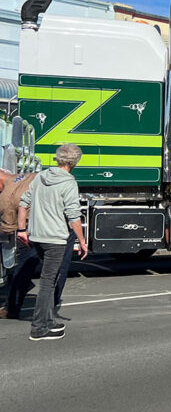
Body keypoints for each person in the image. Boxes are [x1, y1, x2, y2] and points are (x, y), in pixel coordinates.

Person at [19, 143, 87, 341]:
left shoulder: (41, 176)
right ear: (75, 162)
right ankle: (39, 328)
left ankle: (48, 321)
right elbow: (73, 216)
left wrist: (22, 229)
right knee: (48, 282)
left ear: (58, 159)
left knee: (48, 279)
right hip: (55, 239)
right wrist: (82, 241)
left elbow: (23, 203)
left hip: (37, 236)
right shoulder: (69, 182)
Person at [0, 170, 40, 320]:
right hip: (53, 226)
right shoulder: (24, 176)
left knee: (23, 267)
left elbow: (8, 227)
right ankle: (50, 306)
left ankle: (12, 308)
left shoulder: (6, 195)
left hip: (29, 232)